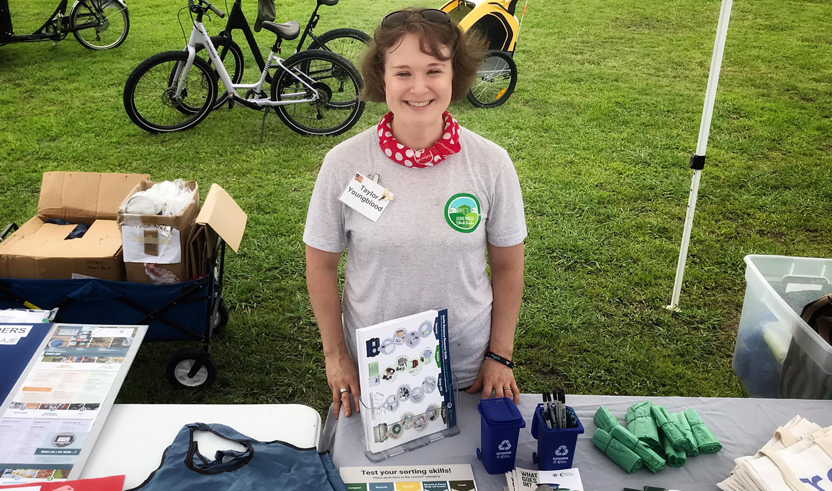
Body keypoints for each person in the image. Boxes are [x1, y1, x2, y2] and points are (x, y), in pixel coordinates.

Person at [304, 7, 527, 419]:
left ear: (454, 75)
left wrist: (501, 354)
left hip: (465, 367)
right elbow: (320, 265)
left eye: (434, 70)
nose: (419, 87)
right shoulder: (343, 163)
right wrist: (336, 356)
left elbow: (509, 266)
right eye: (403, 72)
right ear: (381, 78)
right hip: (374, 367)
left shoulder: (491, 164)